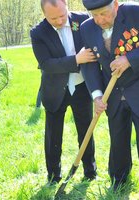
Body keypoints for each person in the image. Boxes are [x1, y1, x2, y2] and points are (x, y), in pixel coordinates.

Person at [80, 0, 139, 193]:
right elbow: (90, 64)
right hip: (112, 94)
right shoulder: (87, 28)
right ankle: (119, 182)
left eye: (103, 13)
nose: (99, 20)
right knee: (118, 137)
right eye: (94, 15)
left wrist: (130, 59)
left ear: (116, 4)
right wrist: (97, 95)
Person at [30, 0, 98, 185]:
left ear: (67, 6)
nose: (60, 21)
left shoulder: (83, 20)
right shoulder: (38, 33)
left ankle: (90, 171)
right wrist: (76, 59)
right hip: (54, 91)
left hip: (82, 87)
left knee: (86, 130)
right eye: (53, 18)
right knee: (53, 134)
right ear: (44, 14)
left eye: (62, 15)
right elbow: (46, 64)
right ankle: (53, 175)